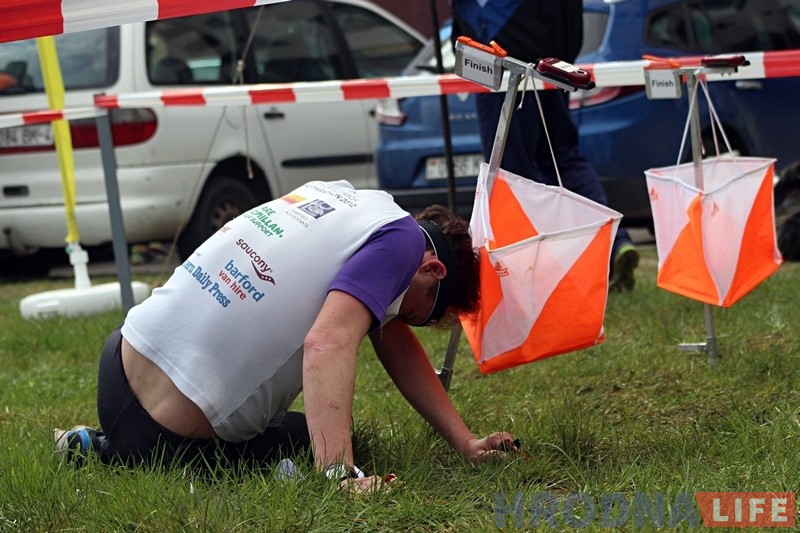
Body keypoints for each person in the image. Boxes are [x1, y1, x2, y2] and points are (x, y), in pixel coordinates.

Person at [54, 180, 515, 492]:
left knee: (304, 424)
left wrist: (465, 442)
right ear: (433, 270)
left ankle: (104, 445)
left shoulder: (351, 199)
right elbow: (326, 343)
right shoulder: (403, 245)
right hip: (168, 437)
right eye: (421, 315)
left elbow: (391, 338)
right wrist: (339, 473)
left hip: (116, 368)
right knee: (308, 437)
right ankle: (123, 452)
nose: (397, 320)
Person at [451, 0, 639, 291]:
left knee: (514, 175)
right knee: (564, 159)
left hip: (504, 69)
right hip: (546, 66)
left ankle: (545, 270)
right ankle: (614, 241)